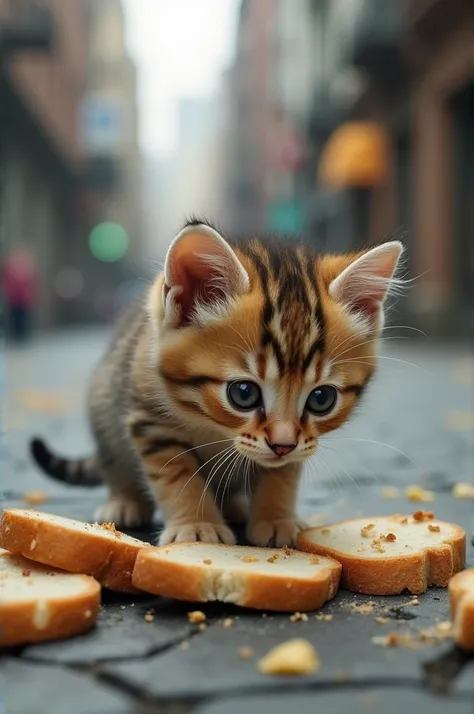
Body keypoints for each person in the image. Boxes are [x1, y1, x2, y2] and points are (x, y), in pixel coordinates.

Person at [1, 245, 38, 343]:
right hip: (13, 298)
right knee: (14, 317)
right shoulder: (10, 267)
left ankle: (22, 336)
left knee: (23, 316)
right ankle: (15, 336)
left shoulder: (27, 267)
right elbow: (7, 282)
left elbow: (31, 283)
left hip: (23, 298)